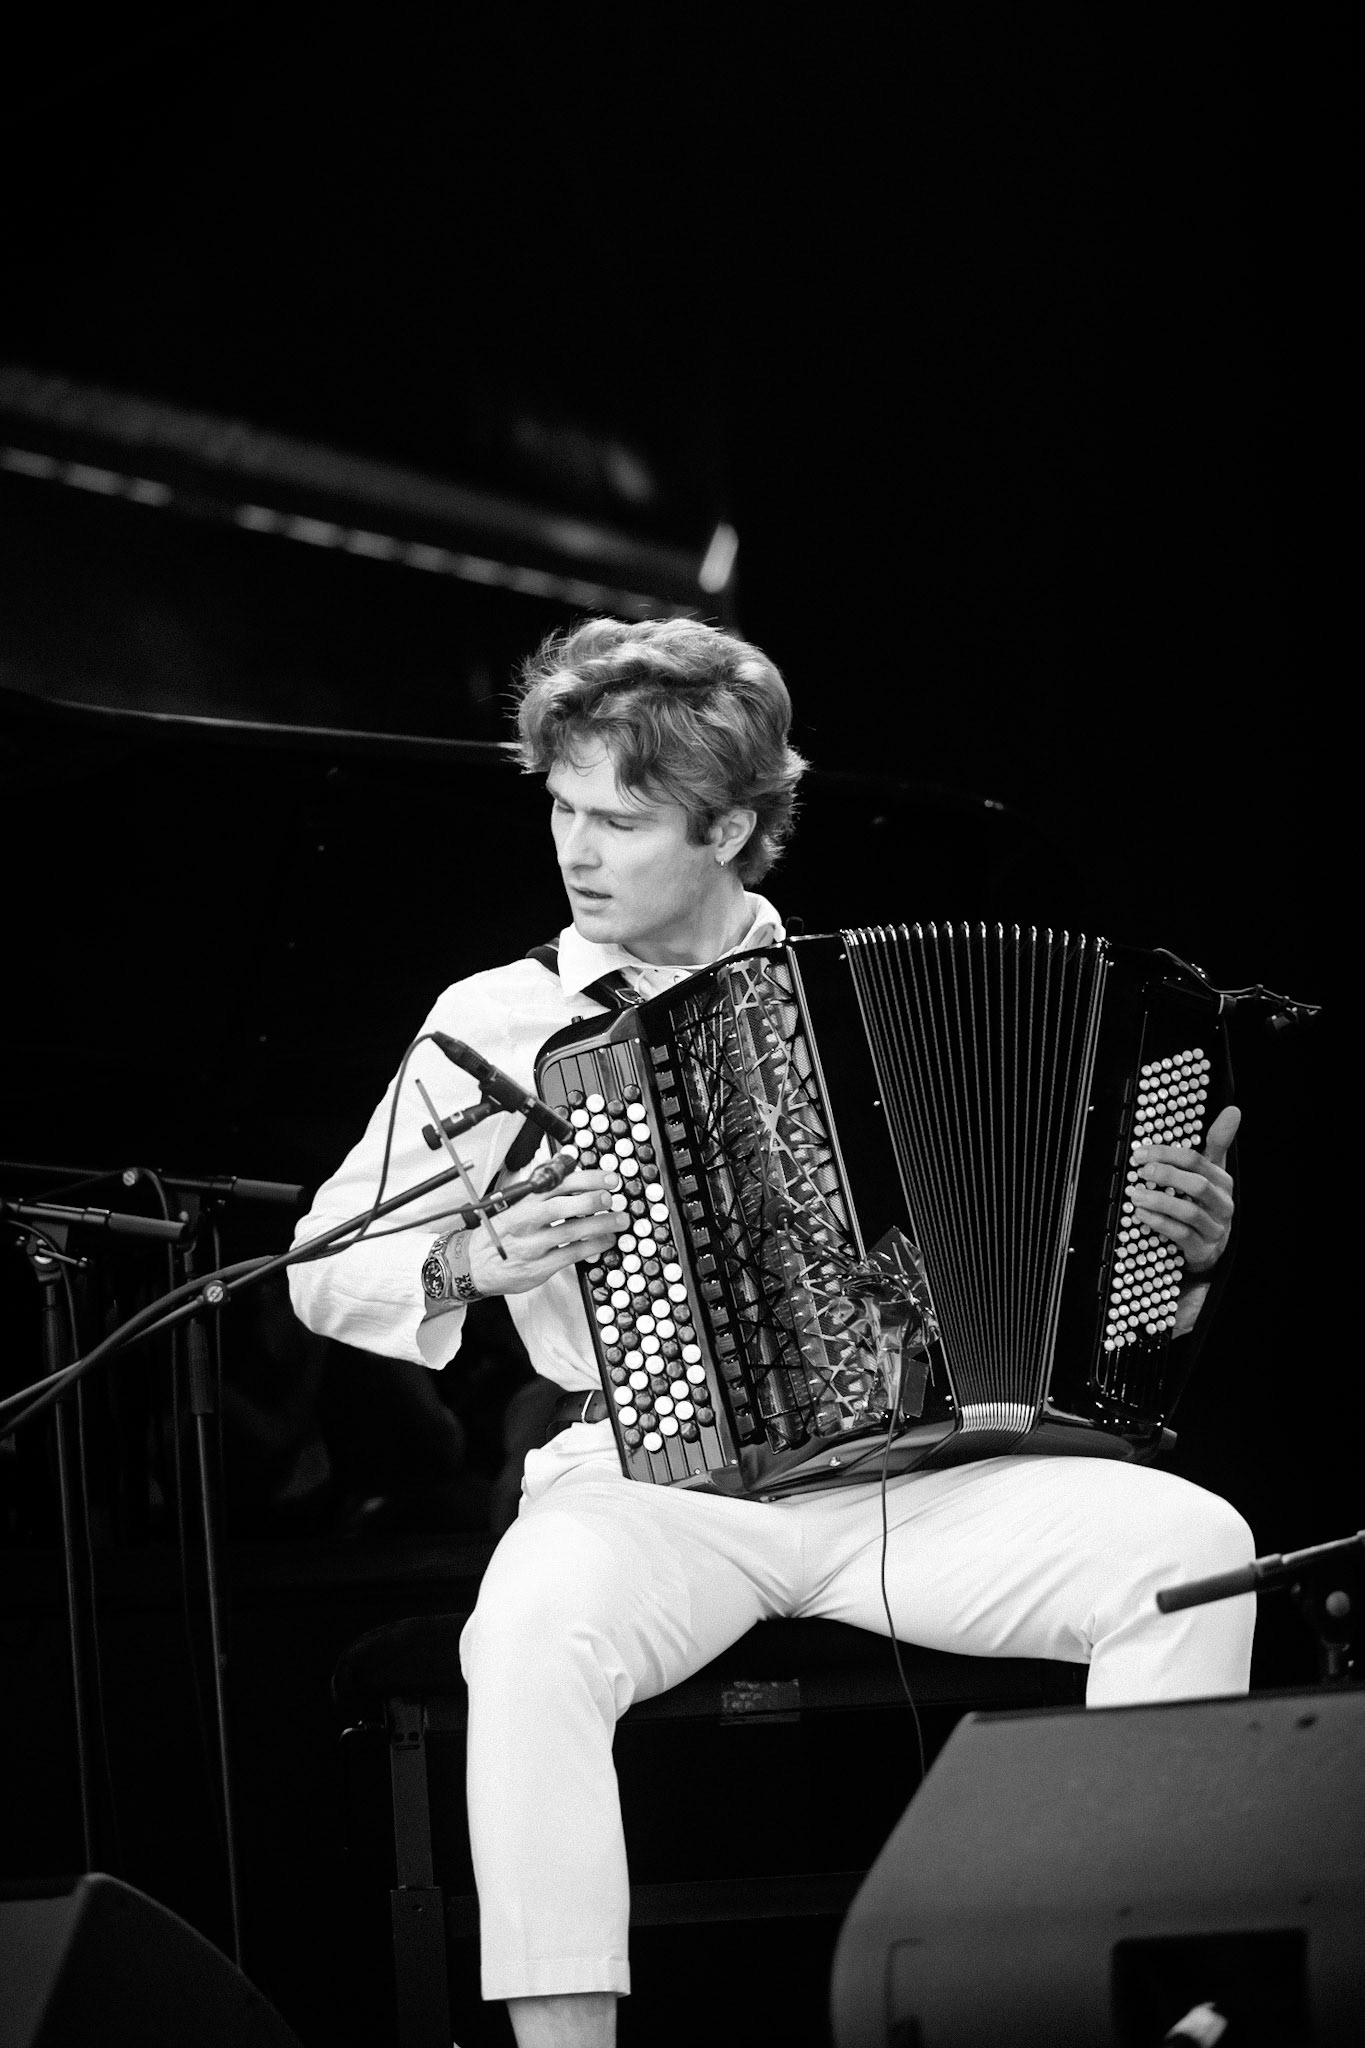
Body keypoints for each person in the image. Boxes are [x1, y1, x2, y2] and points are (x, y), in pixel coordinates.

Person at [288, 616, 1253, 2048]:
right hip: (649, 1484)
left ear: (732, 826)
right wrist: (467, 1262)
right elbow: (321, 1268)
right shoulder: (496, 1020)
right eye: (561, 807)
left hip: (917, 1479)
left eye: (618, 818)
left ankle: (1134, 2000)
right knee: (532, 1632)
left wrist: (1172, 1255)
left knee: (1190, 1554)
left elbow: (1067, 1287)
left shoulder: (858, 998)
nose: (575, 848)